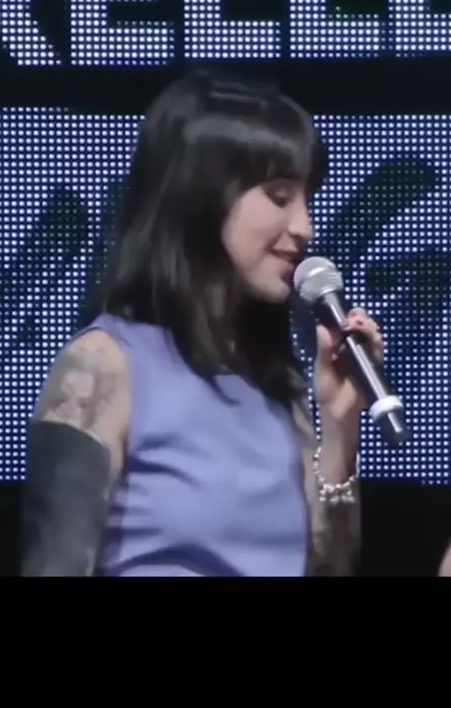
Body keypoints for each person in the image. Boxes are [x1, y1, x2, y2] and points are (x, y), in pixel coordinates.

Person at [21, 69, 384, 577]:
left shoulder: (275, 387)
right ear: (204, 196)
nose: (304, 227)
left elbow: (328, 568)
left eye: (308, 199)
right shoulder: (105, 364)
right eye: (280, 197)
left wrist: (340, 426)